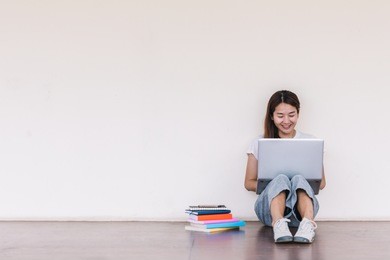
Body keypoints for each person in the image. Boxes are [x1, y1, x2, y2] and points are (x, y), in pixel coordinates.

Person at [244, 90, 326, 244]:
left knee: (298, 178)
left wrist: (295, 183)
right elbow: (248, 183)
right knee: (281, 178)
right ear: (271, 116)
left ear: (298, 114)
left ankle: (307, 224)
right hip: (269, 213)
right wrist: (279, 184)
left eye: (291, 115)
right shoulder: (259, 142)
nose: (286, 121)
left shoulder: (310, 142)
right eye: (280, 116)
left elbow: (321, 183)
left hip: (299, 215)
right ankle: (279, 225)